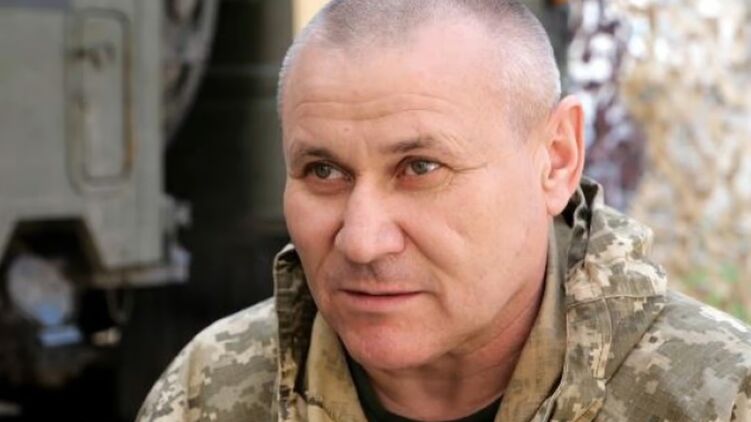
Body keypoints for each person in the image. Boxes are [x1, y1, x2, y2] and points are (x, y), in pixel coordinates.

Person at [137, 1, 751, 421]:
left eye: (421, 167)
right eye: (324, 171)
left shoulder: (717, 398)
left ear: (557, 160)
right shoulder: (211, 392)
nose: (362, 240)